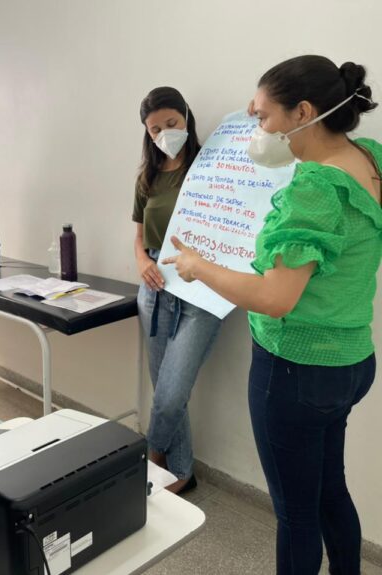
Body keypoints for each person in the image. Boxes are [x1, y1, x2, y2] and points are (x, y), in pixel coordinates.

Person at [164, 56, 380, 574]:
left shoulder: (315, 189)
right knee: (330, 489)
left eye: (261, 116)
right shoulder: (368, 158)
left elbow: (275, 298)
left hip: (296, 368)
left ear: (303, 111)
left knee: (295, 515)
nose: (255, 128)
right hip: (351, 361)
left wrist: (198, 266)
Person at [132, 87, 222, 493]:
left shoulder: (212, 166)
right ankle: (182, 472)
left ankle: (149, 459)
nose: (165, 133)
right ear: (147, 134)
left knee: (169, 395)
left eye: (172, 123)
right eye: (155, 129)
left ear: (186, 117)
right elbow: (138, 237)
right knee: (166, 388)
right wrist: (143, 262)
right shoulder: (147, 176)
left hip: (201, 289)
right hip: (154, 286)